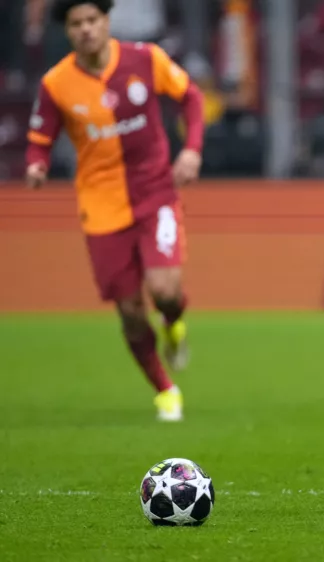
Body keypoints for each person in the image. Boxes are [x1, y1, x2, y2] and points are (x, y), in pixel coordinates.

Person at [25, 0, 204, 422]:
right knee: (129, 312)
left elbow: (192, 98)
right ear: (68, 31)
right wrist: (37, 164)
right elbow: (39, 137)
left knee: (164, 291)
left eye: (92, 20)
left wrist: (192, 151)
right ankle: (164, 388)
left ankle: (175, 322)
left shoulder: (146, 58)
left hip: (155, 192)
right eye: (76, 24)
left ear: (107, 21)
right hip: (100, 206)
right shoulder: (56, 83)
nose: (86, 29)